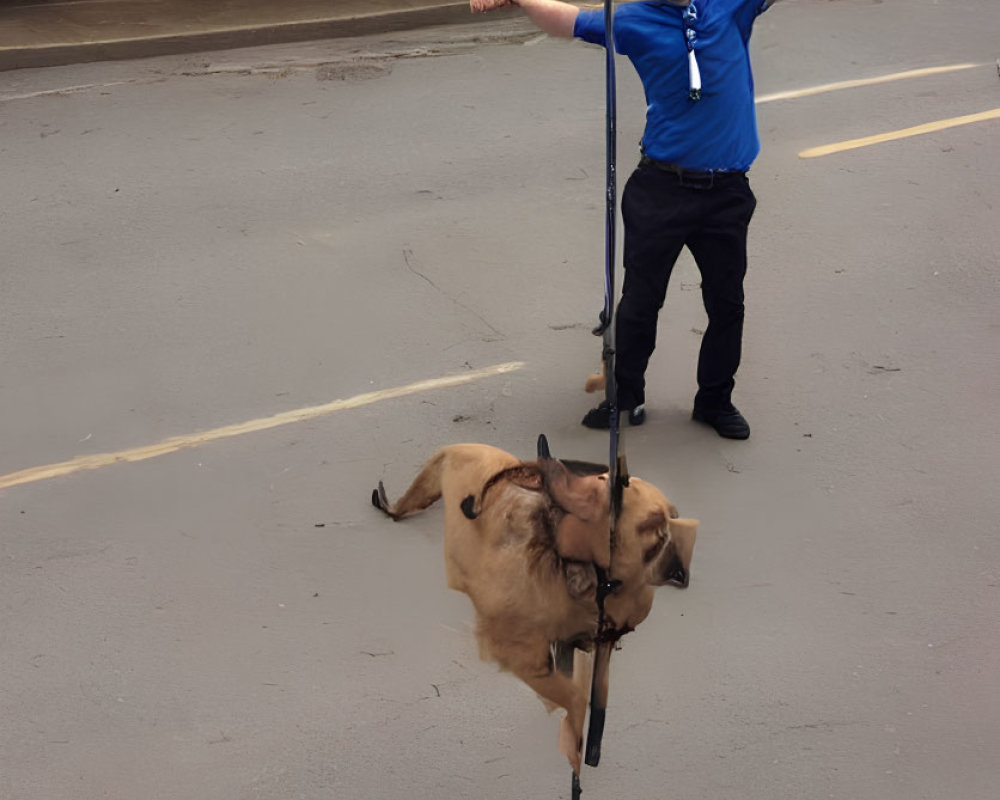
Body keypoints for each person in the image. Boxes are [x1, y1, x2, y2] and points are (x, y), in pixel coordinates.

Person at [476, 0, 780, 440]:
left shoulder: (732, 6)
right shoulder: (634, 20)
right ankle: (625, 395)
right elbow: (567, 21)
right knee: (640, 303)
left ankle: (715, 400)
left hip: (727, 193)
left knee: (727, 304)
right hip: (661, 190)